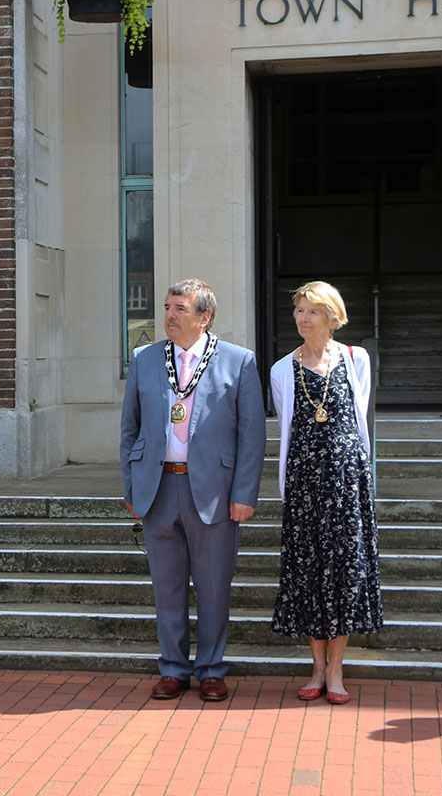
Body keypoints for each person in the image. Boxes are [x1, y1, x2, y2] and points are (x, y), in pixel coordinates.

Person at [120, 278, 267, 702]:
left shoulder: (237, 362)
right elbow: (130, 431)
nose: (169, 315)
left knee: (214, 585)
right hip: (158, 487)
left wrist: (244, 494)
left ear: (204, 317)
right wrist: (132, 486)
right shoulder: (144, 359)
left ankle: (211, 669)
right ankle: (173, 669)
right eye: (167, 307)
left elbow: (251, 436)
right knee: (166, 588)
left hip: (214, 492)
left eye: (180, 309)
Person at [268, 281, 381, 706]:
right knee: (309, 573)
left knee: (344, 572)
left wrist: (362, 476)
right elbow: (287, 430)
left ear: (332, 317)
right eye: (299, 309)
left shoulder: (356, 359)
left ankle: (336, 670)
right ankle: (316, 667)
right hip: (304, 483)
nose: (303, 317)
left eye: (312, 310)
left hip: (347, 481)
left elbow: (361, 419)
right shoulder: (283, 369)